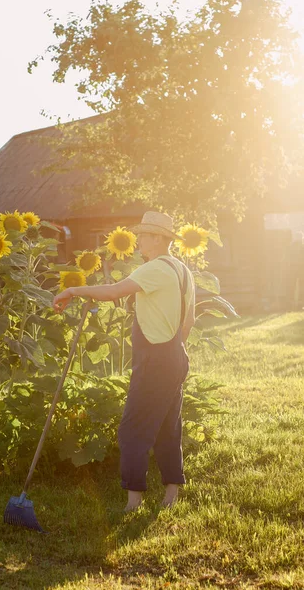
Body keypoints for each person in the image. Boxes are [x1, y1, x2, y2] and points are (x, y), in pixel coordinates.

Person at [53, 211, 196, 511]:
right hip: (176, 356)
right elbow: (189, 320)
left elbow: (115, 291)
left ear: (158, 239)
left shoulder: (154, 268)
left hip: (155, 361)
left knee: (133, 429)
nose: (139, 241)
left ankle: (134, 501)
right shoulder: (183, 271)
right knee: (169, 426)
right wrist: (174, 350)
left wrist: (73, 290)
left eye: (144, 235)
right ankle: (171, 495)